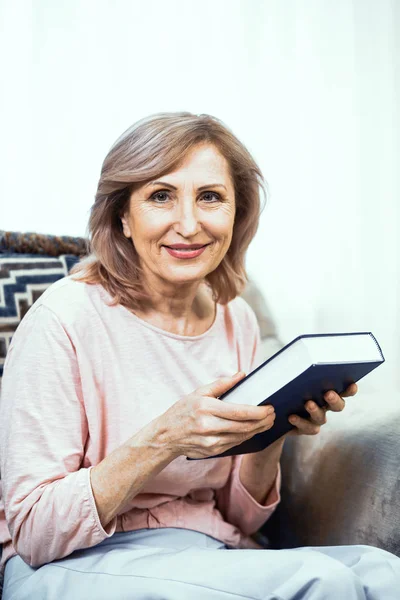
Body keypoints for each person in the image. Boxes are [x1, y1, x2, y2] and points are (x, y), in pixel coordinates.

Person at [0, 112, 399, 600]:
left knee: (383, 572)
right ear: (122, 215)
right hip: (75, 562)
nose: (188, 225)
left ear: (237, 213)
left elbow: (240, 518)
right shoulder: (62, 318)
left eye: (210, 197)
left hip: (202, 550)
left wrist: (274, 431)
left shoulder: (236, 319)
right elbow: (35, 532)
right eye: (160, 196)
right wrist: (165, 437)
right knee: (325, 582)